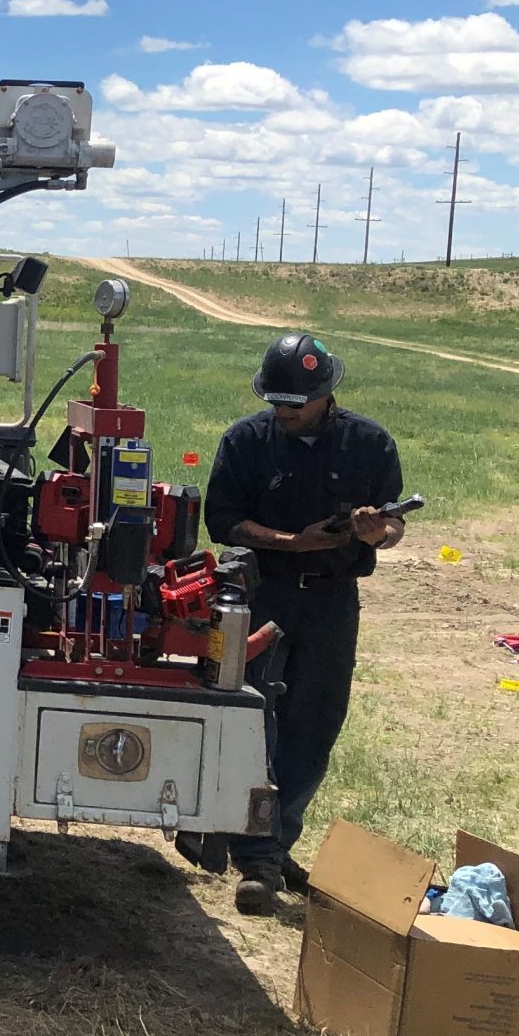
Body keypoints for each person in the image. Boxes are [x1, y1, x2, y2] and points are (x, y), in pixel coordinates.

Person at [199, 331, 404, 916]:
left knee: (314, 725)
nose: (284, 412)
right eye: (276, 402)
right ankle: (258, 854)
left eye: (296, 403)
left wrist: (377, 532)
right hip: (262, 595)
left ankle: (275, 841)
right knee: (251, 717)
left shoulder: (369, 443)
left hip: (332, 603)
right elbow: (224, 520)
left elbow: (394, 524)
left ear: (325, 394)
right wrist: (294, 542)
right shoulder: (245, 441)